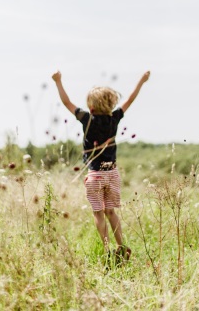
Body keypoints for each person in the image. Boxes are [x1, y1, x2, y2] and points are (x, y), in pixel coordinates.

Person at [52, 70, 150, 264]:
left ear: (91, 105)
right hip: (112, 174)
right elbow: (130, 99)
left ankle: (106, 249)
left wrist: (58, 81)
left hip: (95, 175)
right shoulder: (115, 118)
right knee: (111, 212)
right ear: (112, 103)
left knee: (98, 213)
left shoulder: (87, 119)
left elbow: (66, 103)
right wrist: (141, 81)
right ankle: (121, 246)